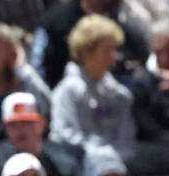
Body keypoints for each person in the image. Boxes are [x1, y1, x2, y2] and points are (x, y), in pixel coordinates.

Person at [50, 14, 137, 159]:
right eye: (107, 50)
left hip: (117, 170)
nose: (113, 57)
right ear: (86, 52)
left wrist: (113, 158)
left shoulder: (120, 95)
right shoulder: (67, 92)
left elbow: (127, 141)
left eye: (114, 49)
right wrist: (100, 156)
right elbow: (65, 136)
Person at [37, 0, 150, 89]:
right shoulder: (58, 23)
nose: (112, 59)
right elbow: (46, 72)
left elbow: (142, 60)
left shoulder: (125, 30)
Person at [127, 19, 169, 175]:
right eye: (159, 52)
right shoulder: (143, 86)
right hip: (166, 162)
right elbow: (151, 132)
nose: (164, 59)